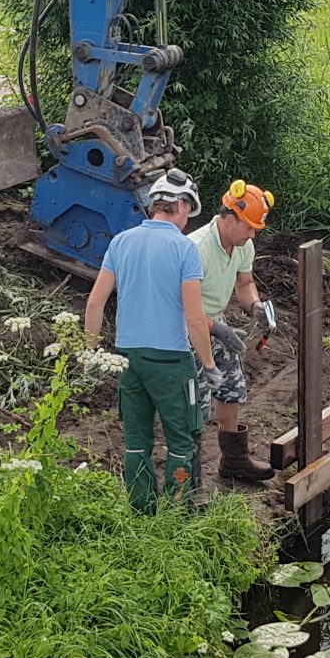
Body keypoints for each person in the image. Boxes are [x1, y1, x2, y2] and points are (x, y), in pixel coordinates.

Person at [82, 169, 224, 512]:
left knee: (136, 441)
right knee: (181, 439)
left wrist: (89, 351)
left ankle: (141, 511)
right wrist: (208, 364)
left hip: (127, 358)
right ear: (181, 205)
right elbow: (193, 317)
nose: (188, 219)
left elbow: (95, 302)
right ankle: (177, 513)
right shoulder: (184, 249)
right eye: (189, 211)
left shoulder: (121, 242)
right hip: (171, 361)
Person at [191, 179, 278, 483]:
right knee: (197, 404)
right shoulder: (197, 249)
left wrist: (255, 305)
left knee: (231, 389)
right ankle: (190, 475)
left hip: (215, 325)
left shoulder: (243, 246)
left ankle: (234, 461)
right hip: (188, 330)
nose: (253, 234)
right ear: (230, 219)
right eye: (250, 227)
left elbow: (244, 283)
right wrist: (217, 329)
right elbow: (182, 310)